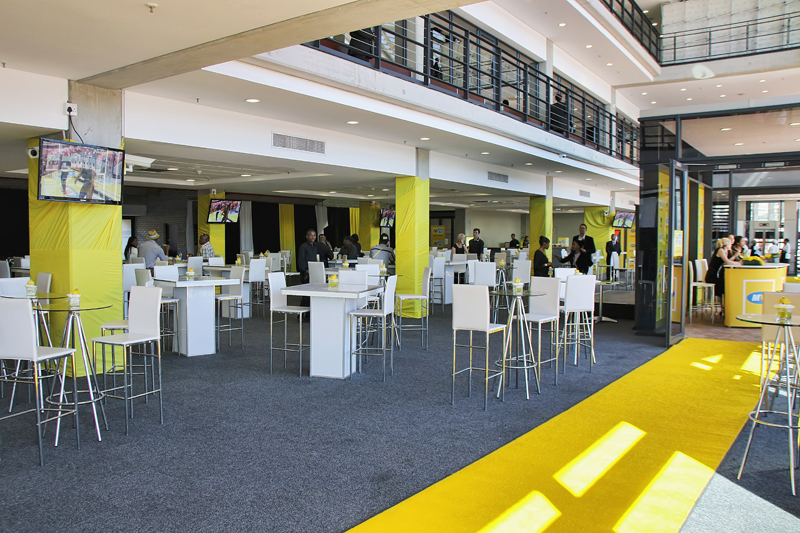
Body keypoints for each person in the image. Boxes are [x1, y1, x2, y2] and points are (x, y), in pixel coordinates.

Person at [706, 238, 742, 307]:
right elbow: (727, 262)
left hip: (716, 274)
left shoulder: (723, 251)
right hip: (712, 276)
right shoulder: (721, 250)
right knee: (726, 285)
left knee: (726, 283)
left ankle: (724, 306)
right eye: (730, 244)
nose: (731, 246)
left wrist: (736, 260)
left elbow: (726, 262)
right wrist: (739, 263)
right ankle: (724, 306)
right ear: (727, 244)